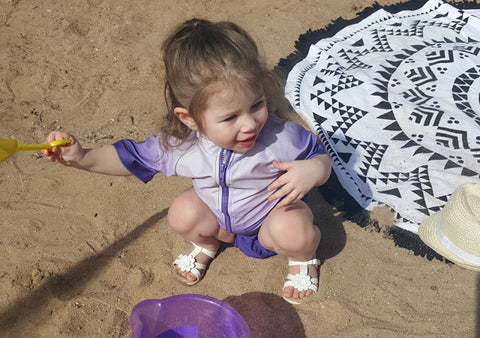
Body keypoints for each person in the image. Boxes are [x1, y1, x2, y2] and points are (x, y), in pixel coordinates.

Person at [44, 19, 331, 304]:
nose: (250, 124)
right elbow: (130, 158)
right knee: (182, 212)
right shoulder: (182, 145)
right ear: (190, 118)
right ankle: (206, 242)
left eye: (256, 105)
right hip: (220, 222)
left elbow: (319, 155)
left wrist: (314, 169)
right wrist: (83, 157)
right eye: (230, 117)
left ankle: (302, 257)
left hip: (269, 220)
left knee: (293, 231)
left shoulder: (280, 137)